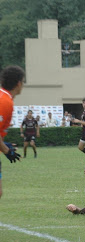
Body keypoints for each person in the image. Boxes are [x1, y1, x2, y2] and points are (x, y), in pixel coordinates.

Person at [0, 65, 24, 199]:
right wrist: (6, 150)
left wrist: (4, 145)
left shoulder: (4, 98)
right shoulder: (5, 101)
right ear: (19, 83)